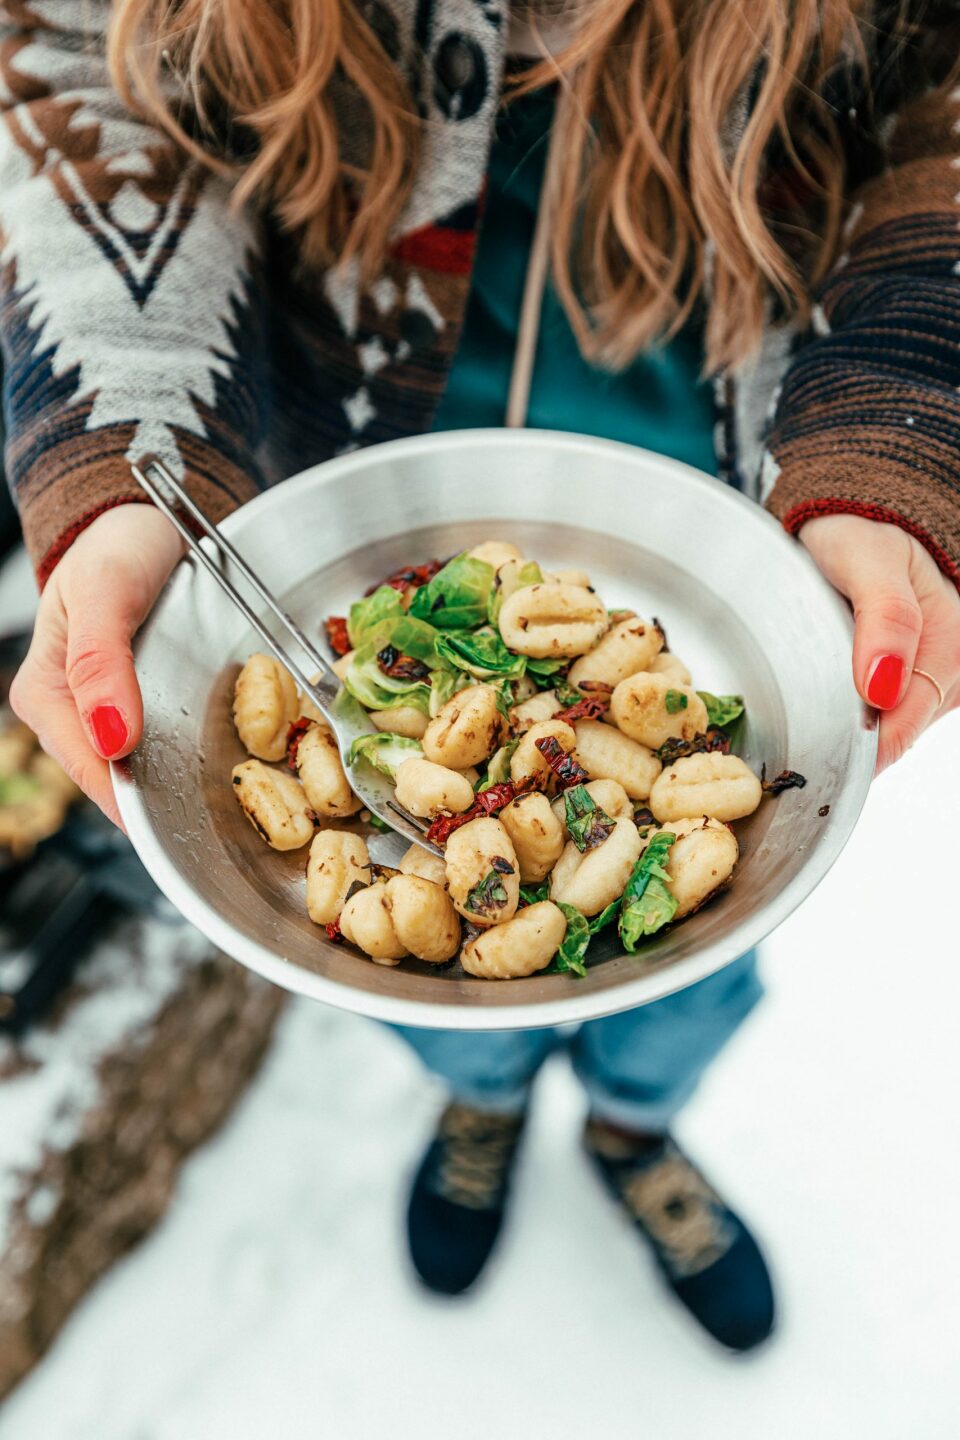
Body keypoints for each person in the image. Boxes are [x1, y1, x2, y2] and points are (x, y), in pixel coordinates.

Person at [2, 0, 958, 1353]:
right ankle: (483, 1109)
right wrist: (126, 434)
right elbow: (72, 60)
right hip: (344, 504)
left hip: (725, 512)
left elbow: (945, 110)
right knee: (449, 1017)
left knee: (689, 992)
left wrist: (902, 424)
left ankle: (635, 1137)